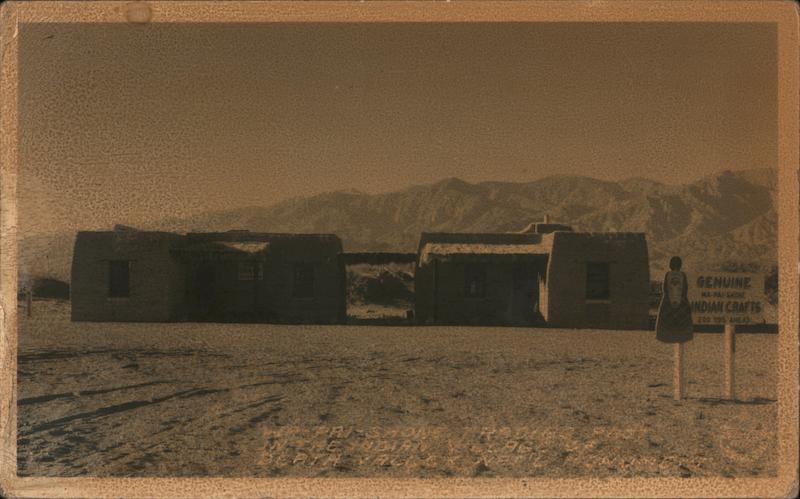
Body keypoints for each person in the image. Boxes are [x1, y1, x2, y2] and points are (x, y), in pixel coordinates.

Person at [655, 256, 694, 343]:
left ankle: (666, 337)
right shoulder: (683, 275)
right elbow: (685, 288)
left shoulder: (667, 274)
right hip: (682, 301)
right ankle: (682, 336)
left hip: (668, 301)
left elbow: (664, 288)